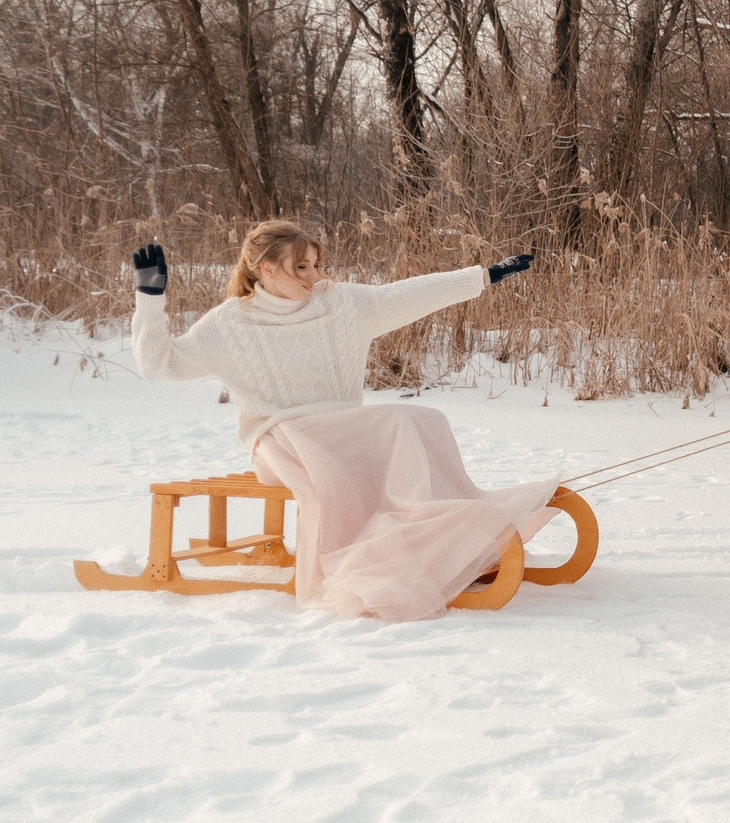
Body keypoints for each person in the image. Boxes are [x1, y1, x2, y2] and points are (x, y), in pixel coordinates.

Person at [127, 219, 554, 621]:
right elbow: (159, 363)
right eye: (301, 267)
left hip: (345, 435)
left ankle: (432, 537)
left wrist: (482, 277)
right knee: (395, 423)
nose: (313, 276)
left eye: (316, 264)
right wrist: (150, 300)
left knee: (425, 420)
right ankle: (395, 556)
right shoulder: (228, 324)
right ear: (267, 269)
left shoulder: (341, 304)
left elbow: (405, 296)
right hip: (281, 440)